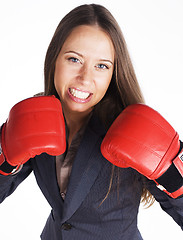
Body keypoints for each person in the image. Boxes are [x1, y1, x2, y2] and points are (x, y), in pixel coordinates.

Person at [0, 4, 183, 239]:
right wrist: (5, 157)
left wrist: (172, 169)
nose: (85, 78)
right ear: (54, 58)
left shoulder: (128, 127)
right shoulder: (37, 115)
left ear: (113, 73)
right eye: (74, 59)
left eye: (101, 66)